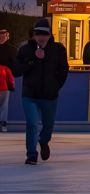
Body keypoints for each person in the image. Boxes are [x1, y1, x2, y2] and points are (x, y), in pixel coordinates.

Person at [13, 18, 69, 165]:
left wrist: (56, 86)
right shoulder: (25, 49)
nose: (41, 37)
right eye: (38, 34)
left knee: (48, 125)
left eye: (44, 34)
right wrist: (31, 60)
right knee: (31, 124)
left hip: (49, 95)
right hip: (29, 95)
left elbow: (63, 70)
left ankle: (44, 141)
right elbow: (16, 71)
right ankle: (31, 154)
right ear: (33, 35)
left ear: (50, 35)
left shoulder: (58, 49)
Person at [0, 55, 12, 133]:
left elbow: (11, 79)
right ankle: (3, 124)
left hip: (4, 89)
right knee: (4, 107)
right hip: (4, 89)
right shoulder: (5, 68)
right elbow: (11, 79)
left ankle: (3, 124)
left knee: (4, 106)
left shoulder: (5, 68)